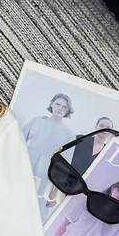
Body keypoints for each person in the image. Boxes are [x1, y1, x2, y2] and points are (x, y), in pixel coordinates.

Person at [22, 93, 76, 222]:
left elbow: (65, 165)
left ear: (68, 110)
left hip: (45, 180)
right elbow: (17, 142)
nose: (60, 108)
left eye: (64, 107)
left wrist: (55, 191)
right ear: (52, 104)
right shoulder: (36, 121)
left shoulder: (69, 134)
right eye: (58, 104)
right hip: (24, 172)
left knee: (34, 216)